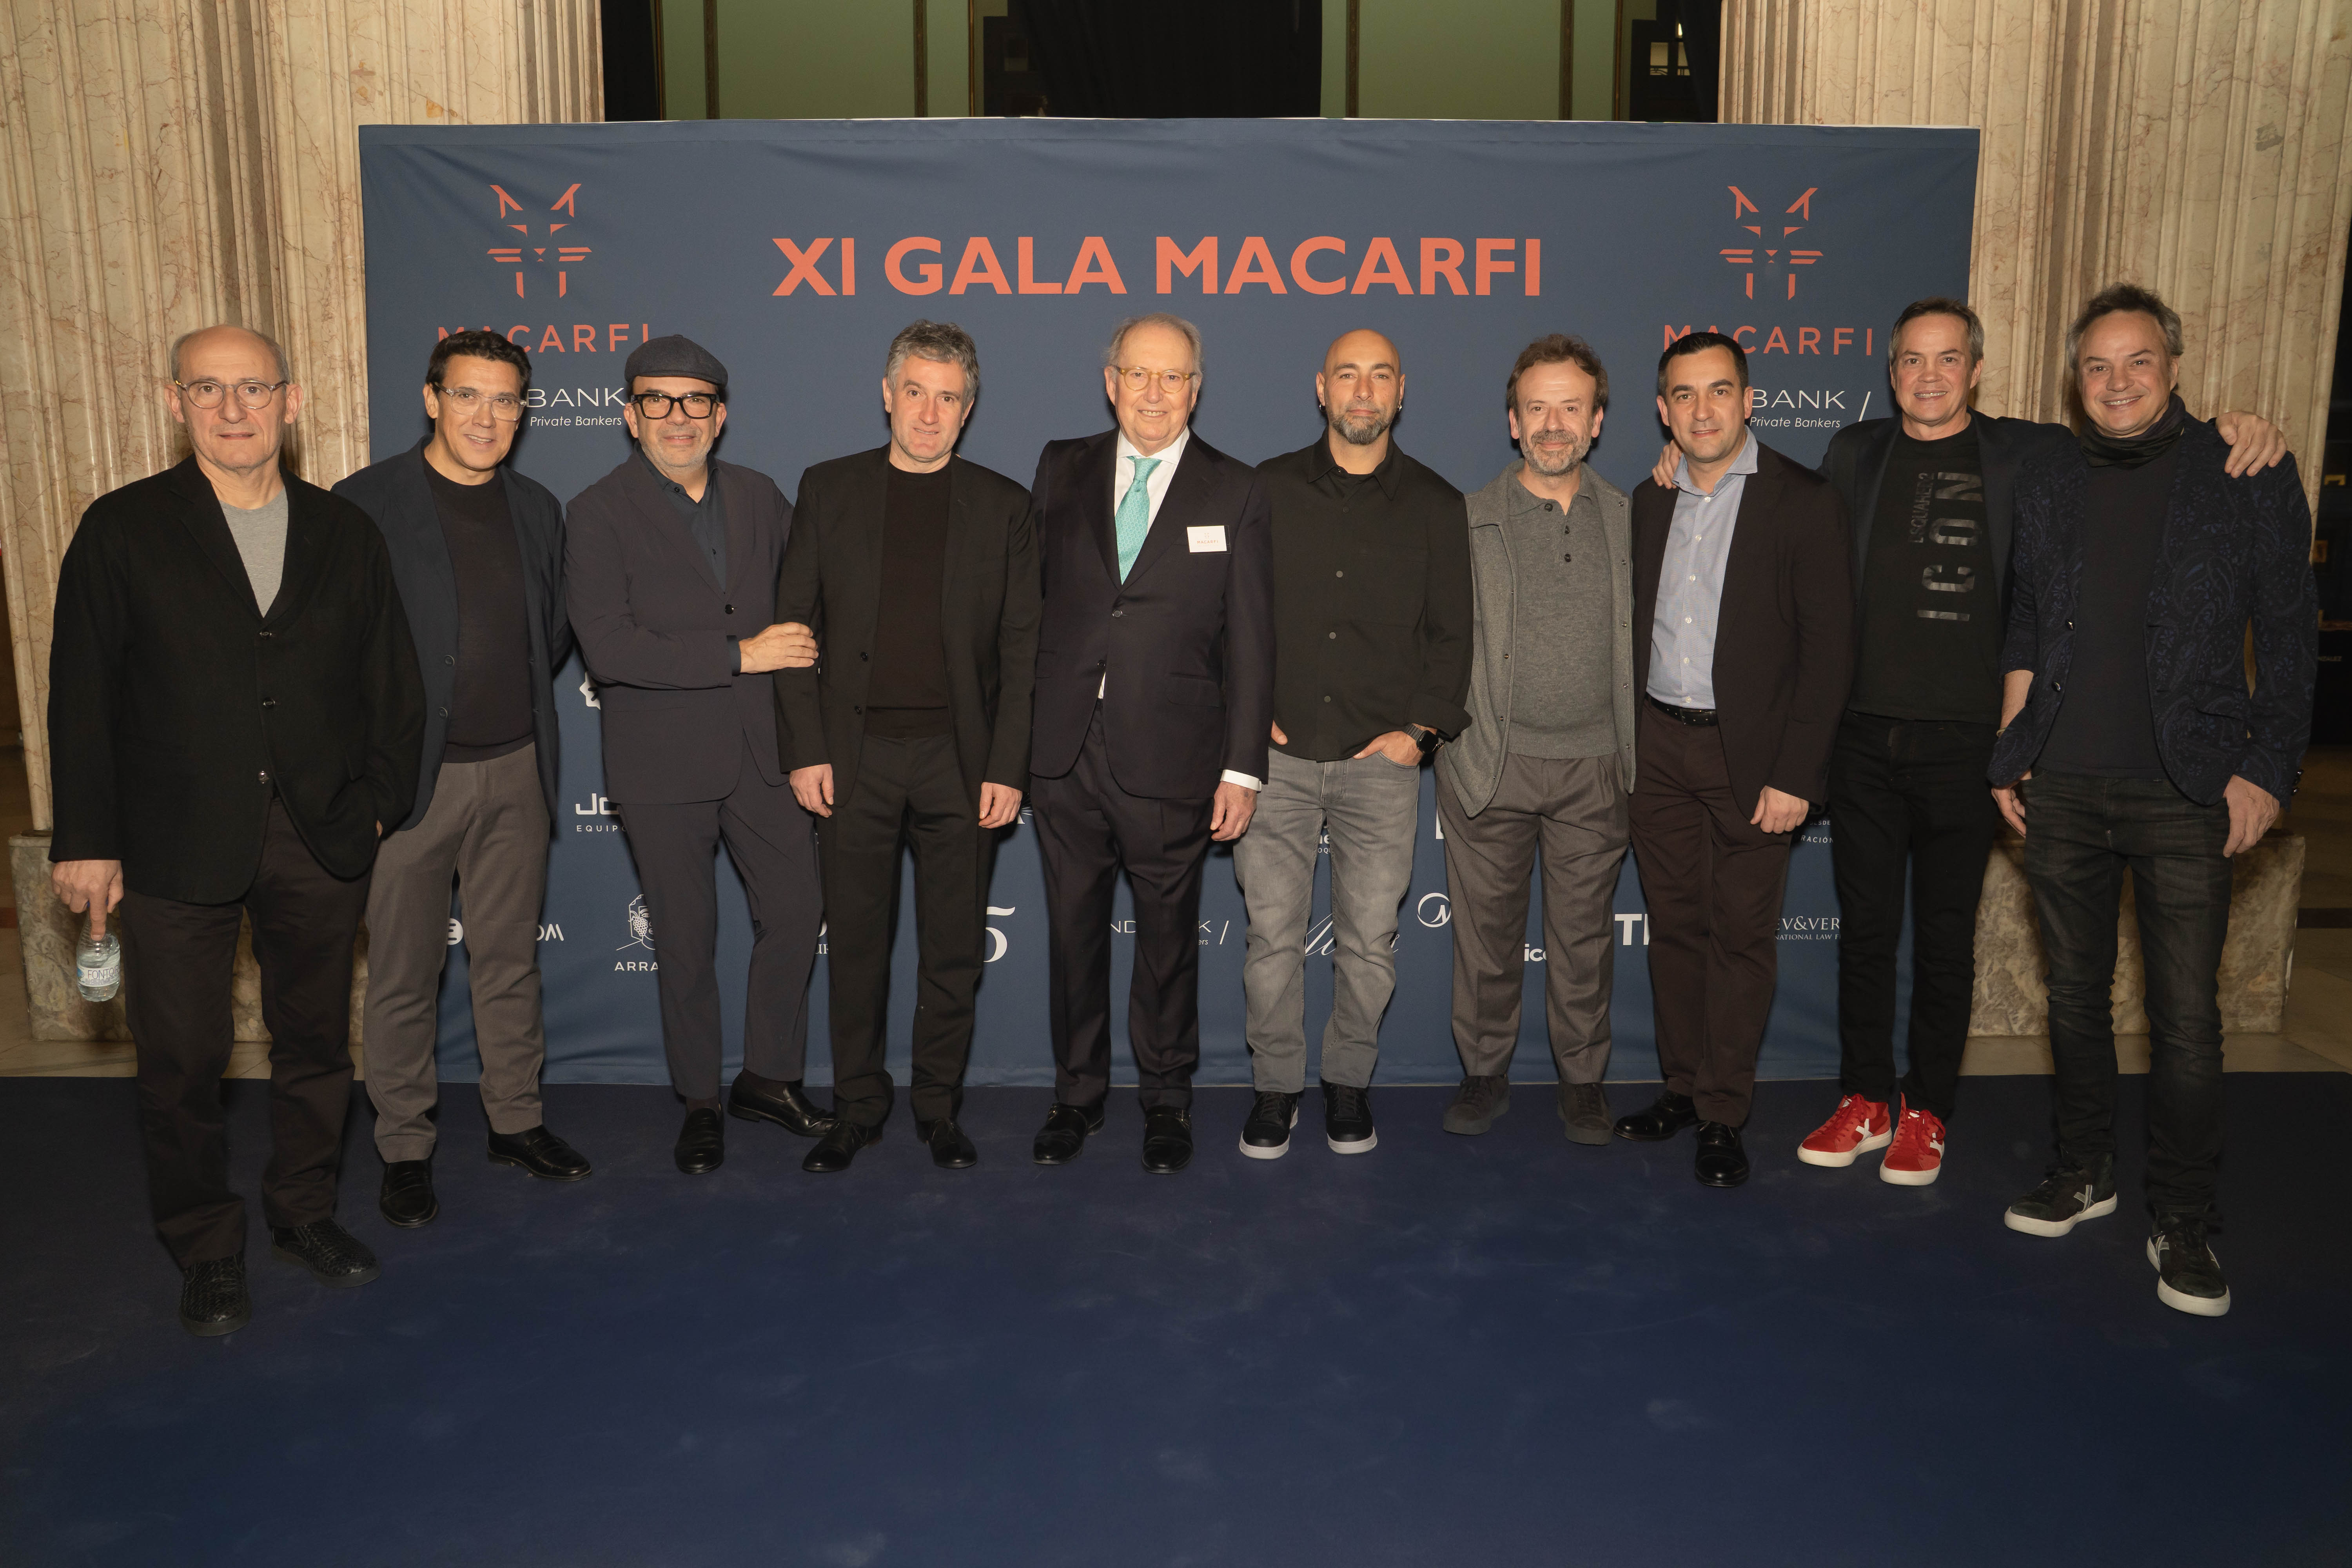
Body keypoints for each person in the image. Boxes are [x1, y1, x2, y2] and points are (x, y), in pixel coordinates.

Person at [1765, 301, 2284, 1187]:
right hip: (1862, 739)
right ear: (1892, 373)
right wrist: (1686, 457)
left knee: (1946, 937)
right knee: (1866, 934)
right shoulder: (1853, 453)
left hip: (1972, 744)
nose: (1930, 375)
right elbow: (1783, 515)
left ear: (1977, 371)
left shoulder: (2033, 453)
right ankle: (1864, 1096)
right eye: (1913, 360)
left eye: (1949, 359)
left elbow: (2143, 427)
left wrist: (2241, 425)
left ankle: (1927, 1110)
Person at [48, 324, 425, 1334]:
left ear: (289, 402)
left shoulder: (345, 532)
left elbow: (393, 681)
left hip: (319, 832)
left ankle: (303, 1212)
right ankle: (206, 1245)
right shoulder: (122, 528)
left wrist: (379, 801)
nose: (232, 409)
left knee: (316, 1043)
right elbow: (81, 693)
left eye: (252, 388)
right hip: (170, 839)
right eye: (207, 389)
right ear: (175, 402)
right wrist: (85, 838)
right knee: (181, 1058)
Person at [1990, 283, 2315, 1318]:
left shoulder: (2245, 468)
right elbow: (2027, 619)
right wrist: (2011, 751)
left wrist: (2268, 771)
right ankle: (2084, 1169)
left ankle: (2183, 1217)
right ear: (2075, 379)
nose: (2117, 381)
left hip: (2188, 787)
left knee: (2186, 1022)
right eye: (2097, 365)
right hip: (2063, 783)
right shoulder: (2051, 476)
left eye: (2137, 361)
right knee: (2075, 1000)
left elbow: (2292, 635)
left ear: (2173, 366)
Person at [334, 329, 587, 1228]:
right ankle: (404, 1147)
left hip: (516, 768)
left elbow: (550, 633)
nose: (487, 416)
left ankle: (516, 1120)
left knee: (509, 963)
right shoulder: (365, 503)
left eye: (506, 399)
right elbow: (337, 649)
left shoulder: (539, 507)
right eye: (469, 395)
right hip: (411, 781)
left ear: (524, 411)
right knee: (404, 973)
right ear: (432, 399)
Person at [774, 322, 1039, 1173]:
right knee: (855, 946)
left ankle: (937, 1107)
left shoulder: (1004, 506)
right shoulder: (828, 488)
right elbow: (794, 629)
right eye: (916, 392)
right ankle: (858, 1105)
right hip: (853, 759)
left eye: (948, 397)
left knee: (953, 950)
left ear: (969, 407)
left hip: (960, 763)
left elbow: (1023, 651)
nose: (930, 413)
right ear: (888, 395)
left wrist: (1007, 766)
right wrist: (805, 748)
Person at [565, 335, 826, 1176]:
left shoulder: (759, 495)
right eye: (658, 400)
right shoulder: (596, 512)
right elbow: (609, 648)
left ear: (720, 415)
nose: (678, 417)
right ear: (630, 413)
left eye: (696, 401)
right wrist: (738, 654)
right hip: (662, 762)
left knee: (797, 912)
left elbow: (809, 599)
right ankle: (701, 1101)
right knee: (684, 939)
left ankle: (768, 1078)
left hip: (765, 752)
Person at [1025, 313, 1274, 1174]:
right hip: (1063, 751)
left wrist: (1243, 767)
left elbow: (1252, 640)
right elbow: (1028, 608)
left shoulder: (1236, 488)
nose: (1155, 394)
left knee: (1168, 939)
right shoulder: (1061, 465)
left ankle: (1167, 1100)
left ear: (1196, 390)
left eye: (1173, 377)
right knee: (1072, 934)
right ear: (1111, 383)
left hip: (1174, 754)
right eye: (1139, 374)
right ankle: (1076, 1094)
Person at [1613, 331, 1853, 1187]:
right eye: (1684, 394)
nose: (1703, 409)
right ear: (1663, 410)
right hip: (1657, 746)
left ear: (1750, 401)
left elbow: (1829, 651)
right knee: (1675, 929)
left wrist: (1797, 774)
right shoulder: (1649, 500)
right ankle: (1682, 1087)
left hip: (1753, 758)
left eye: (1719, 391)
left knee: (1741, 938)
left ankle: (1723, 1110)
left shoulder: (1803, 500)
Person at [1236, 328, 1471, 1159]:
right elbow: (1232, 612)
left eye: (1379, 377)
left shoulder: (1437, 504)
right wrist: (1243, 712)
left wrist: (1419, 735)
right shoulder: (1265, 489)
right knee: (1272, 940)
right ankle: (1275, 1088)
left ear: (1401, 392)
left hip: (1382, 765)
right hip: (1277, 761)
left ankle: (1347, 1083)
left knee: (1369, 943)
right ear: (1321, 388)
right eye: (1348, 375)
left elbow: (1454, 636)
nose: (1363, 391)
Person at [1435, 335, 1638, 1147]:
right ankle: (1484, 1071)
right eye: (1537, 408)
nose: (1554, 424)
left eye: (1571, 407)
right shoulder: (1465, 518)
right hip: (1491, 761)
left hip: (1598, 765)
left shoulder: (1632, 517)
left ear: (1597, 421)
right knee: (1485, 937)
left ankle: (1583, 1080)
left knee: (1584, 939)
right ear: (1513, 422)